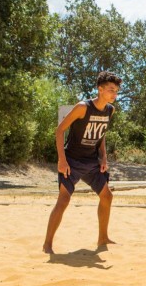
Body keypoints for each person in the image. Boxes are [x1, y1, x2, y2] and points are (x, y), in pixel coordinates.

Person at [43, 71, 122, 254]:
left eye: (116, 91)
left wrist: (104, 157)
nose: (114, 94)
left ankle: (103, 238)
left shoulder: (110, 110)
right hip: (72, 160)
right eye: (111, 90)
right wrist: (62, 160)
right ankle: (47, 244)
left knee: (107, 196)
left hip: (92, 162)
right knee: (63, 200)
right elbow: (59, 130)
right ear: (100, 89)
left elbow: (101, 134)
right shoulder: (82, 107)